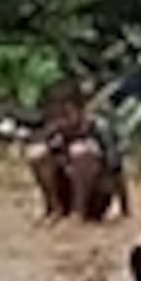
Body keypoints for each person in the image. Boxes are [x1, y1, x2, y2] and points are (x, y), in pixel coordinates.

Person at [27, 81, 126, 223]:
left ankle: (78, 212)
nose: (62, 121)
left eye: (66, 114)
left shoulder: (100, 129)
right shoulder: (55, 132)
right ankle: (55, 209)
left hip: (95, 196)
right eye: (56, 115)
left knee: (81, 152)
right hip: (65, 192)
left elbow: (116, 169)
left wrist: (124, 208)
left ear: (81, 110)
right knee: (37, 153)